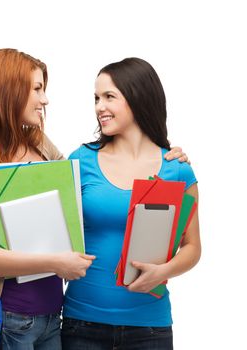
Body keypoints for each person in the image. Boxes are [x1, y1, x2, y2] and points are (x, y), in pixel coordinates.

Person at [0, 48, 190, 350]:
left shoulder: (38, 143)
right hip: (10, 319)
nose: (45, 99)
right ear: (8, 91)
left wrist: (164, 158)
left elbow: (85, 185)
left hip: (55, 319)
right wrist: (55, 262)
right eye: (37, 89)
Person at [61, 57, 201, 350]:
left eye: (109, 96)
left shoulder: (177, 169)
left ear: (137, 98)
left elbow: (192, 247)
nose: (100, 106)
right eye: (96, 98)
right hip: (82, 324)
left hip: (149, 328)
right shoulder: (80, 160)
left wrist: (163, 272)